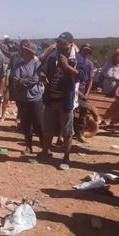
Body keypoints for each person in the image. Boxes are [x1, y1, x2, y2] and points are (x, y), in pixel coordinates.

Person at [37, 32, 86, 170]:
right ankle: (45, 151)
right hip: (51, 97)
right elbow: (41, 69)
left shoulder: (77, 58)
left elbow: (83, 76)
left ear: (70, 44)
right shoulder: (52, 56)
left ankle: (66, 157)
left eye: (62, 43)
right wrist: (41, 74)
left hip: (66, 100)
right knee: (47, 127)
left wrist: (67, 66)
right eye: (58, 42)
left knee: (66, 130)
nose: (59, 45)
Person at [13, 40, 44, 156]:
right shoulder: (18, 65)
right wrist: (24, 81)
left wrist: (21, 81)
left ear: (31, 53)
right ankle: (28, 146)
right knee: (26, 124)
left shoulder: (37, 64)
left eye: (26, 51)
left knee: (39, 123)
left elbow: (35, 80)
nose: (23, 53)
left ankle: (44, 146)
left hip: (35, 98)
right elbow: (15, 80)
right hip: (22, 98)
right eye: (23, 51)